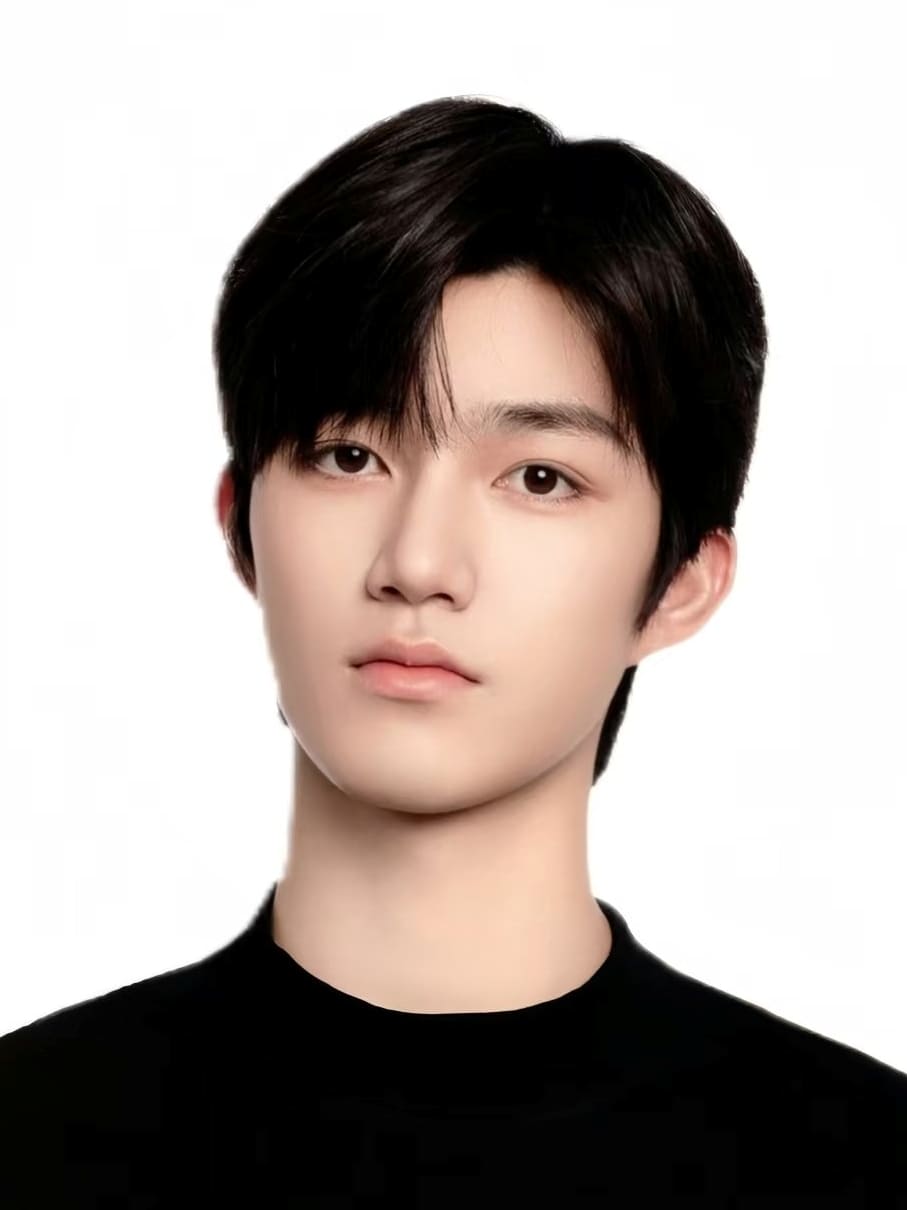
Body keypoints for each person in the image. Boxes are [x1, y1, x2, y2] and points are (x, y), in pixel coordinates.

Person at [2, 94, 904, 1206]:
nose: (417, 562)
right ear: (242, 527)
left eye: (540, 478)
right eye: (347, 455)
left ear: (681, 581)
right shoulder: (29, 1134)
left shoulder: (862, 1165)